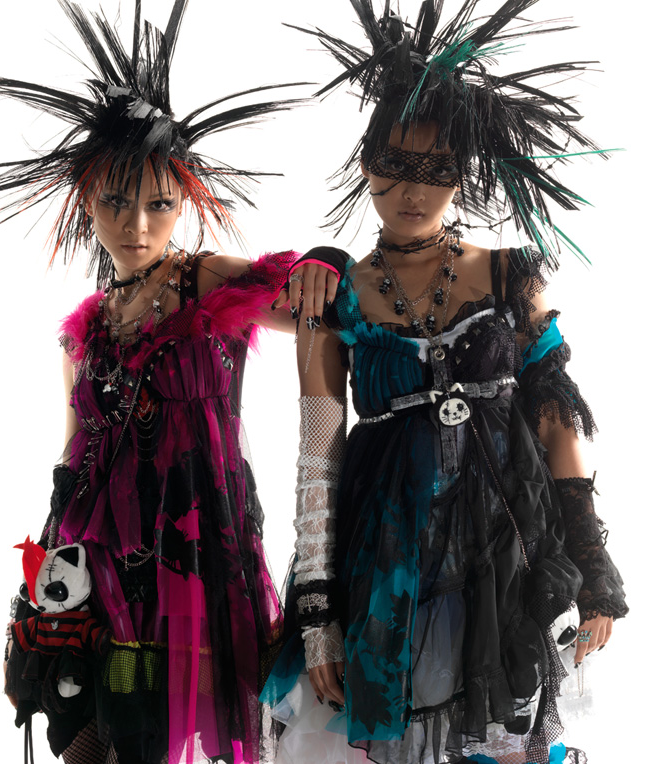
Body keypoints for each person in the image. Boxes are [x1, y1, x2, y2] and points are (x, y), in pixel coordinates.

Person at [261, 2, 628, 763]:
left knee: (505, 738)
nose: (412, 189)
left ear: (465, 173)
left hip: (505, 545)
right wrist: (318, 612)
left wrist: (591, 560)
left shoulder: (512, 274)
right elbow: (319, 453)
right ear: (366, 163)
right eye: (394, 164)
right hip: (388, 554)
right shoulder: (335, 295)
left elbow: (557, 418)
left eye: (436, 170)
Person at [0, 2, 337, 763]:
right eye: (116, 201)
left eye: (158, 203)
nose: (137, 224)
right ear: (86, 198)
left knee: (194, 735)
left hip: (197, 561)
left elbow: (318, 301)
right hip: (103, 568)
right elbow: (72, 462)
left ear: (183, 200)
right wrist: (40, 594)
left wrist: (323, 263)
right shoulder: (83, 331)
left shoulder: (204, 282)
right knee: (93, 740)